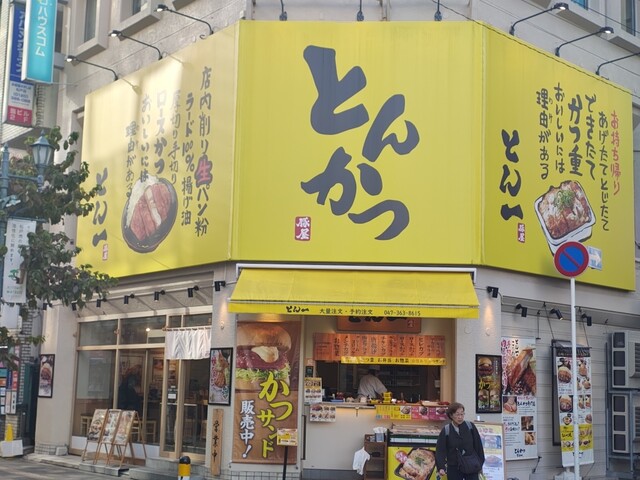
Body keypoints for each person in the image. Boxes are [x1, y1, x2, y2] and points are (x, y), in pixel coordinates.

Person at [435, 402, 485, 480]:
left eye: (462, 414)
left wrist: (480, 463)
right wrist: (441, 467)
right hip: (454, 467)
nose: (460, 417)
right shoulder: (446, 430)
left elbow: (478, 446)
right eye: (457, 414)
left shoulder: (470, 427)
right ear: (451, 415)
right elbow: (440, 450)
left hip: (471, 465)